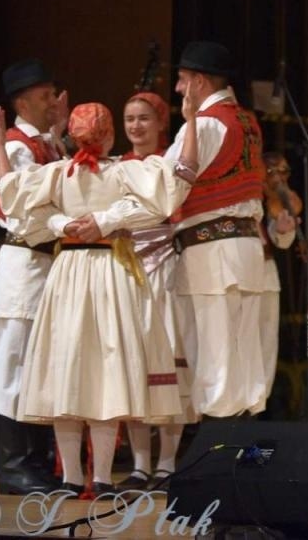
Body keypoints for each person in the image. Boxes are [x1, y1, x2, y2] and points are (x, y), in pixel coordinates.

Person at [0, 102, 191, 496]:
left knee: (68, 369)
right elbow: (174, 187)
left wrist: (0, 144)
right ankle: (100, 477)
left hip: (69, 272)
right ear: (110, 135)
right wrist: (106, 219)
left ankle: (71, 477)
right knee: (106, 369)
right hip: (110, 270)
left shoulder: (58, 174)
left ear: (73, 135)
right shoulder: (121, 171)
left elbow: (9, 192)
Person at [165, 41, 269, 419]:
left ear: (200, 82)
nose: (178, 88)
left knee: (214, 355)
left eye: (182, 80)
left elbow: (167, 183)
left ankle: (219, 447)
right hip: (244, 248)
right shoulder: (246, 121)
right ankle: (244, 444)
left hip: (213, 251)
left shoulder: (207, 124)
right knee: (243, 355)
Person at [0, 59, 66, 495]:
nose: (53, 101)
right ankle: (13, 465)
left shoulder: (44, 144)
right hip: (24, 266)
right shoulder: (17, 147)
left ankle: (33, 460)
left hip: (43, 265)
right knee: (13, 363)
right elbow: (18, 208)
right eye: (45, 96)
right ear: (22, 103)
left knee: (36, 366)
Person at [119, 91, 194, 486]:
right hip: (127, 271)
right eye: (130, 118)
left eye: (144, 118)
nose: (136, 125)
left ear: (161, 122)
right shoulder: (117, 166)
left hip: (167, 270)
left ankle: (166, 462)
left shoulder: (170, 164)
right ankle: (139, 464)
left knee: (168, 361)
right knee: (134, 365)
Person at [258, 152, 300, 408]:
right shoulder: (250, 196)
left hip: (266, 274)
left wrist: (284, 231)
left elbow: (281, 241)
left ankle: (257, 410)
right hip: (239, 271)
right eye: (272, 171)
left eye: (284, 172)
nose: (278, 178)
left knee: (266, 346)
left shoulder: (276, 201)